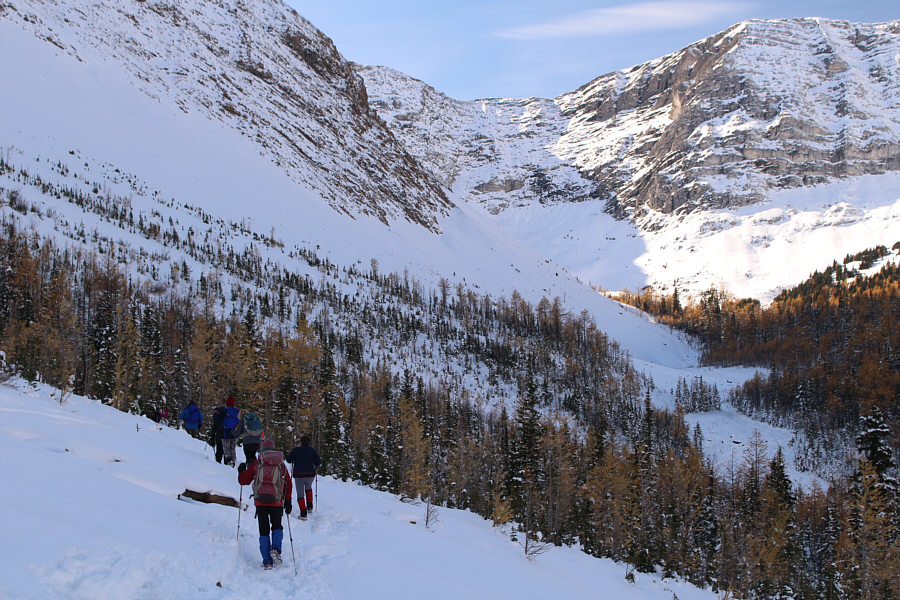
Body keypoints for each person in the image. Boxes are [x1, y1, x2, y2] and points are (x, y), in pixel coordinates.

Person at [238, 440, 292, 569]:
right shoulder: (281, 465)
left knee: (263, 530)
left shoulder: (258, 463)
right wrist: (288, 501)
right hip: (276, 501)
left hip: (260, 501)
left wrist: (241, 471)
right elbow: (288, 484)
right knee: (277, 526)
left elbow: (244, 481)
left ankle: (267, 561)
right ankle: (276, 550)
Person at [286, 435, 321, 520]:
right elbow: (318, 462)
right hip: (310, 474)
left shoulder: (296, 450)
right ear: (308, 442)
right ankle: (309, 506)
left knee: (300, 494)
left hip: (299, 475)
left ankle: (303, 513)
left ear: (301, 442)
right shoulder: (312, 450)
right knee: (308, 488)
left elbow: (288, 460)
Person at [222, 397, 240, 467]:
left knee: (226, 447)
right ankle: (233, 460)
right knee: (232, 447)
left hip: (226, 430)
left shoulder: (225, 411)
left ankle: (229, 460)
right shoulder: (237, 411)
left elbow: (222, 421)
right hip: (235, 431)